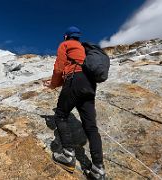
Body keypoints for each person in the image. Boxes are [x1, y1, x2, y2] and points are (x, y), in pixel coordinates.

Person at [44, 26, 105, 180]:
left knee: (60, 115)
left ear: (66, 36)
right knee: (91, 126)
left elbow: (59, 67)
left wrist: (52, 84)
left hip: (74, 81)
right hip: (89, 85)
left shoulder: (65, 44)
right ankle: (98, 169)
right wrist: (57, 84)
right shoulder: (85, 49)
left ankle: (68, 156)